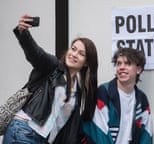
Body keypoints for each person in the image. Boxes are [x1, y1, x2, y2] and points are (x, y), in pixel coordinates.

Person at [3, 14, 98, 144]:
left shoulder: (77, 90)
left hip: (41, 139)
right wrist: (23, 33)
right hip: (24, 130)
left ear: (86, 63)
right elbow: (36, 54)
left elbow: (66, 127)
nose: (74, 54)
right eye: (73, 49)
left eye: (81, 54)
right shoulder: (53, 66)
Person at [83, 47, 153, 144]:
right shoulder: (103, 93)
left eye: (127, 63)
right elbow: (99, 132)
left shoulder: (142, 99)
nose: (121, 67)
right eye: (118, 63)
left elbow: (146, 134)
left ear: (138, 69)